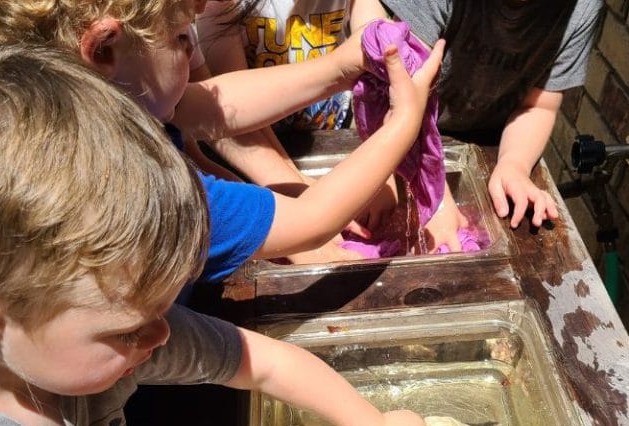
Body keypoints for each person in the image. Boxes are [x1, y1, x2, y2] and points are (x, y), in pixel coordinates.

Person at [0, 43, 440, 426]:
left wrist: (372, 422)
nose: (163, 332)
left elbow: (265, 362)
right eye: (129, 327)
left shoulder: (111, 337)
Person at [0, 0, 443, 282]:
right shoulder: (123, 180)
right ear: (103, 47)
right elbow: (309, 224)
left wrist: (342, 65)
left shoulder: (102, 103)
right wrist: (401, 125)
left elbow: (211, 103)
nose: (194, 54)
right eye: (181, 39)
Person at [197, 0, 472, 252]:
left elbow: (382, 76)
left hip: (334, 139)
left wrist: (390, 177)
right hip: (257, 167)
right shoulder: (220, 5)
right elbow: (228, 120)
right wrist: (304, 197)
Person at [370, 0, 602, 229]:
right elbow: (401, 96)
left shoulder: (582, 8)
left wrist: (515, 164)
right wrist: (432, 197)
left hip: (485, 139)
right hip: (398, 124)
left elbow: (537, 106)